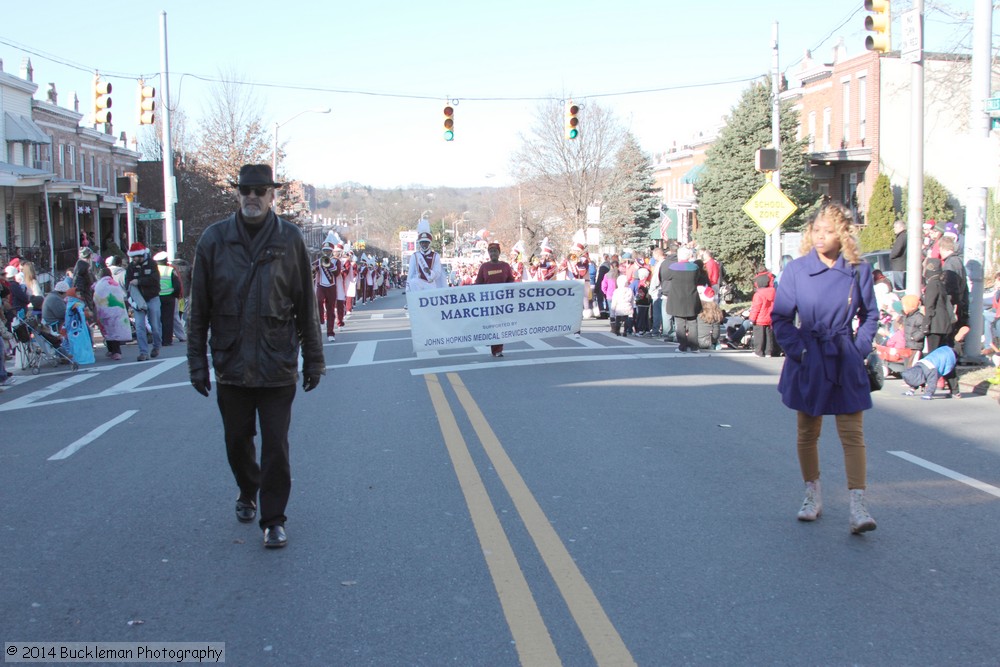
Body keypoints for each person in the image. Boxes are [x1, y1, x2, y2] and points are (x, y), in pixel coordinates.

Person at [187, 164, 325, 550]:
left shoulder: (290, 238)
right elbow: (198, 309)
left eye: (260, 190)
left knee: (276, 446)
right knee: (237, 441)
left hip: (277, 363)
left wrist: (314, 360)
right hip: (231, 365)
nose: (252, 196)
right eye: (246, 190)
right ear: (237, 194)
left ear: (271, 195)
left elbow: (305, 306)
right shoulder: (214, 240)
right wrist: (196, 362)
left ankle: (274, 519)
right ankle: (248, 488)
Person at [771, 202, 878, 535]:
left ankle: (858, 506)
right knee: (807, 431)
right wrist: (800, 351)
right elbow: (781, 318)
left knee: (852, 433)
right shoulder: (797, 270)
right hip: (808, 356)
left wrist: (858, 348)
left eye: (828, 230)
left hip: (843, 355)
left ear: (843, 233)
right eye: (816, 230)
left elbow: (871, 315)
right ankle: (812, 496)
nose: (820, 236)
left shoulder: (858, 270)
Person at [474, 242, 517, 357]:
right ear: (489, 253)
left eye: (495, 251)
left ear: (499, 253)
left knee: (499, 326)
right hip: (488, 303)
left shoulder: (505, 266)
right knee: (491, 326)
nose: (493, 253)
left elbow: (511, 281)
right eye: (491, 251)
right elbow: (478, 283)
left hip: (502, 303)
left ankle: (498, 350)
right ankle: (491, 341)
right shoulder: (484, 267)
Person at [662, 246, 707, 352]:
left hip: (677, 298)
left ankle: (682, 346)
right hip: (691, 297)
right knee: (692, 322)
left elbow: (666, 276)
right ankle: (694, 347)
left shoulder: (673, 267)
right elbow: (697, 278)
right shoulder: (695, 268)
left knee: (680, 323)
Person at [124, 242, 162, 362]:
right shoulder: (131, 267)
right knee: (140, 326)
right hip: (138, 301)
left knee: (155, 326)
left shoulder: (151, 264)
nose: (133, 259)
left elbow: (155, 280)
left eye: (135, 257)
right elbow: (127, 283)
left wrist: (139, 281)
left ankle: (156, 346)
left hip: (152, 298)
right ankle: (143, 352)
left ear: (141, 256)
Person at [93, 269, 130, 361]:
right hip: (117, 311)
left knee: (107, 331)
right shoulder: (114, 284)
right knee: (115, 332)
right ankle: (116, 352)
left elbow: (95, 297)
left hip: (104, 312)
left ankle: (112, 350)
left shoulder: (98, 285)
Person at [406, 217, 447, 291]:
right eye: (422, 242)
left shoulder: (435, 256)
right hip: (418, 285)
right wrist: (408, 288)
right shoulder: (415, 256)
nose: (424, 244)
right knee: (413, 282)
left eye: (426, 242)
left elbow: (438, 272)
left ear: (429, 243)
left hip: (431, 285)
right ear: (420, 243)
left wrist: (430, 272)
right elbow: (410, 274)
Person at [154, 251, 182, 346]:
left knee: (157, 318)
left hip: (156, 297)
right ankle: (167, 340)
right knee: (168, 319)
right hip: (169, 297)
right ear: (165, 260)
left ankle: (158, 339)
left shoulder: (154, 270)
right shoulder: (170, 270)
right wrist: (176, 295)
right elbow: (177, 285)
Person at [748, 273, 776, 357]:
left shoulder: (758, 294)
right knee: (769, 335)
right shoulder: (773, 292)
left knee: (759, 336)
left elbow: (756, 308)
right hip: (770, 317)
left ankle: (759, 351)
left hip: (760, 319)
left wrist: (752, 319)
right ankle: (768, 352)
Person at [888, 219, 907, 289]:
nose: (894, 229)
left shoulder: (901, 237)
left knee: (899, 287)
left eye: (896, 227)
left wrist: (891, 256)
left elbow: (897, 250)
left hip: (899, 266)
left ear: (902, 228)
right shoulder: (904, 236)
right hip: (902, 266)